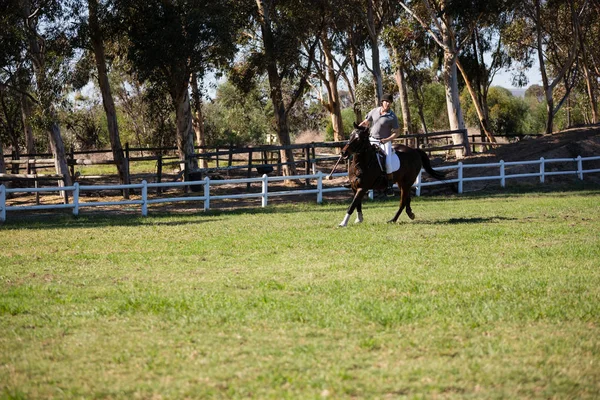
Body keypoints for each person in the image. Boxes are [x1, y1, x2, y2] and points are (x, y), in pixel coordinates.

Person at [359, 93, 400, 190]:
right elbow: (366, 122)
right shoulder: (374, 111)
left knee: (388, 163)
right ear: (382, 102)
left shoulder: (392, 117)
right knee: (360, 154)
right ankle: (356, 179)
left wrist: (387, 140)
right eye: (386, 102)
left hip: (384, 142)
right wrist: (357, 129)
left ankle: (389, 185)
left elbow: (397, 133)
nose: (388, 104)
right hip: (372, 139)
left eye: (390, 102)